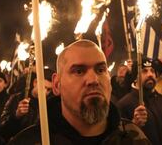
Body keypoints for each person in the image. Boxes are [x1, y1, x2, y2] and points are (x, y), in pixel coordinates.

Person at [9, 39, 150, 144]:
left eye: (100, 70)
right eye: (79, 71)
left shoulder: (133, 137)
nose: (93, 80)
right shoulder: (28, 141)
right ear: (57, 85)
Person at [117, 58, 162, 145]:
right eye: (144, 71)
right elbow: (118, 140)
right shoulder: (124, 105)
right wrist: (134, 126)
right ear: (135, 77)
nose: (150, 74)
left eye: (152, 71)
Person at [0, 68, 54, 142]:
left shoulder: (50, 102)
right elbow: (3, 130)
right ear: (35, 82)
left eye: (49, 89)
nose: (45, 92)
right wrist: (17, 115)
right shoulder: (17, 98)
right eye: (43, 87)